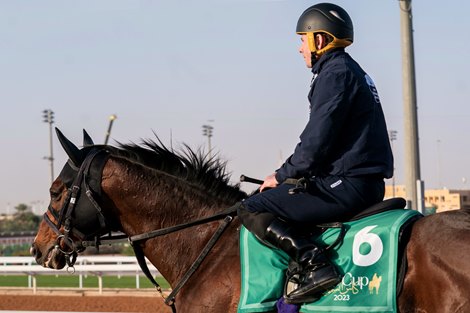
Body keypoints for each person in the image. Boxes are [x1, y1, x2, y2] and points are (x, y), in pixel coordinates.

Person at [238, 2, 394, 305]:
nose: (300, 48)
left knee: (252, 207)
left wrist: (282, 175)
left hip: (349, 184)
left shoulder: (335, 73)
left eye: (302, 40)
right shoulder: (349, 70)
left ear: (318, 40)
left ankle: (314, 263)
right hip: (357, 180)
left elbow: (316, 140)